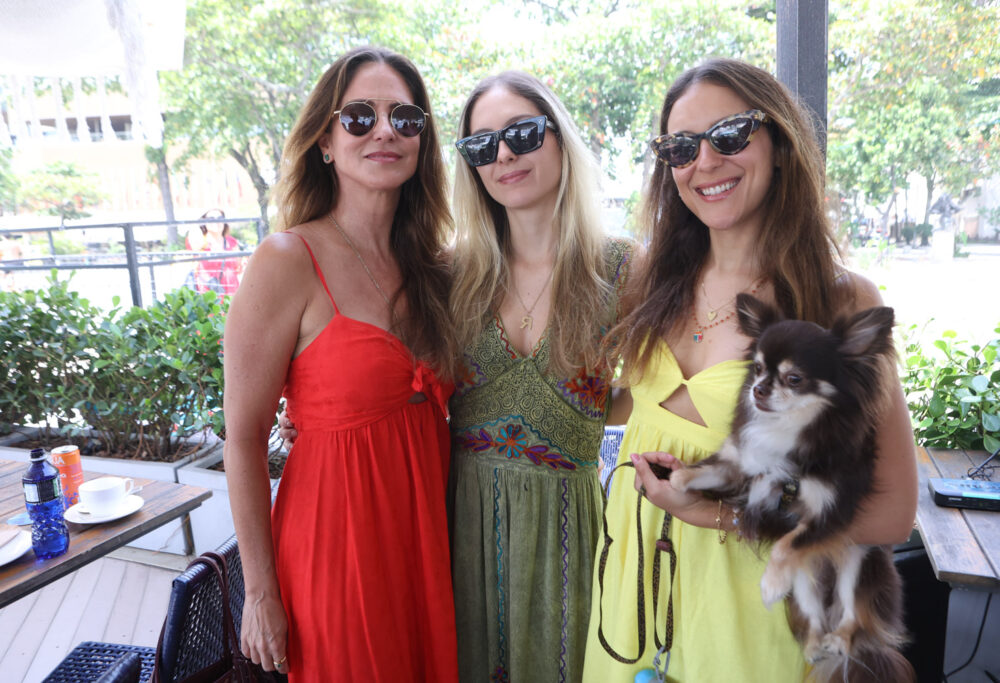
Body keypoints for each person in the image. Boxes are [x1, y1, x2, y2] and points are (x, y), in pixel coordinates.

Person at [582, 58, 918, 682]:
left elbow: (895, 510)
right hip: (636, 601)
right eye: (681, 146)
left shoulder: (842, 302)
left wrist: (717, 512)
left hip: (756, 613)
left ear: (781, 144)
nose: (704, 161)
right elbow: (644, 406)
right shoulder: (649, 283)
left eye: (730, 134)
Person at [222, 46, 460, 681]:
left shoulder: (434, 267)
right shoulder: (287, 260)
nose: (385, 131)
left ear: (421, 140)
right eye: (360, 117)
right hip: (337, 544)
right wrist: (259, 591)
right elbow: (242, 440)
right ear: (325, 140)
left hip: (427, 539)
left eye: (405, 118)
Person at [448, 71, 634, 682]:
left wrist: (582, 413)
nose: (503, 154)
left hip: (569, 531)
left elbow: (673, 384)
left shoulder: (623, 267)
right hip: (462, 526)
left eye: (522, 133)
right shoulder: (453, 273)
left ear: (560, 139)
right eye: (481, 146)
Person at [186, 208, 243, 296]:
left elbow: (238, 266)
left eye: (220, 218)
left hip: (231, 291)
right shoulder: (199, 242)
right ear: (204, 222)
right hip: (209, 291)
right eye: (211, 219)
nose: (216, 222)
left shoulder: (232, 242)